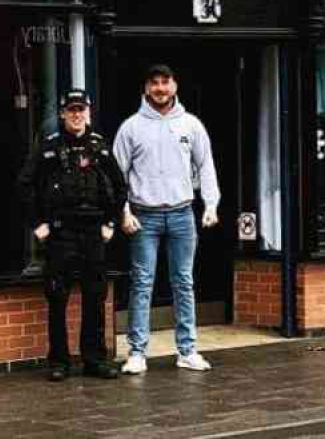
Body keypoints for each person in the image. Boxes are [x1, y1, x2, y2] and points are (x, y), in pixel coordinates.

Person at [113, 64, 220, 374]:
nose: (160, 88)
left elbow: (207, 166)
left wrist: (210, 204)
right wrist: (124, 212)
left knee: (183, 283)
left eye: (166, 82)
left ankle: (187, 350)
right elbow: (117, 176)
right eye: (154, 83)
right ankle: (137, 352)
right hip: (143, 216)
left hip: (182, 213)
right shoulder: (131, 127)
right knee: (142, 284)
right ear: (146, 88)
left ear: (175, 86)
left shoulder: (191, 125)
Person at [17, 88, 126, 382]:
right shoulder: (49, 146)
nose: (77, 115)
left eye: (81, 110)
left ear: (88, 112)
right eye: (71, 110)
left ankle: (94, 360)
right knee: (57, 296)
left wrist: (111, 224)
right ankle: (59, 361)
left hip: (93, 233)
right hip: (60, 233)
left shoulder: (100, 147)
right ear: (63, 113)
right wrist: (38, 225)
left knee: (95, 296)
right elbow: (25, 184)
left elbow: (120, 187)